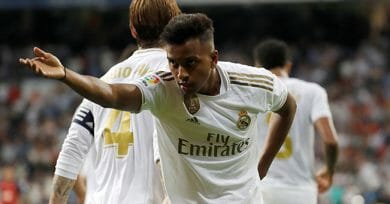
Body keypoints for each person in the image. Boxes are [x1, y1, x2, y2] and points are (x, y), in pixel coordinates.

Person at [20, 13, 296, 203]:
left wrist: (264, 164)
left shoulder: (253, 83)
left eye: (189, 63)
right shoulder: (163, 87)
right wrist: (67, 74)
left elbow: (287, 107)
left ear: (213, 58)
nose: (180, 73)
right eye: (173, 63)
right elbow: (113, 94)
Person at [45, 0, 181, 204]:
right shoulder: (178, 77)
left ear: (133, 31)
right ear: (175, 25)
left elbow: (70, 154)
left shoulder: (101, 83)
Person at [253, 39, 339, 204]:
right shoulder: (313, 92)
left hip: (260, 187)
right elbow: (330, 140)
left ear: (257, 67)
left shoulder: (251, 92)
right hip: (300, 192)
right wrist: (329, 170)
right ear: (288, 65)